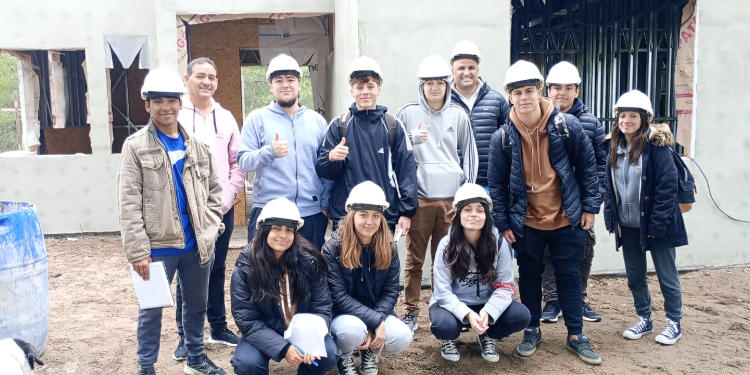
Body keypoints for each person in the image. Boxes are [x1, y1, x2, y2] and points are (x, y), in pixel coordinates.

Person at [487, 60, 602, 365]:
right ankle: (532, 329)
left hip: (567, 218)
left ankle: (576, 334)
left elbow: (588, 167)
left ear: (539, 90)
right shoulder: (503, 137)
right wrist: (504, 223)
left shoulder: (567, 126)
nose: (524, 97)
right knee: (529, 276)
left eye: (529, 90)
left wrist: (590, 206)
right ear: (509, 95)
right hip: (527, 222)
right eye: (517, 92)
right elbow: (496, 185)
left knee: (569, 276)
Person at [117, 67, 226, 375]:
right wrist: (138, 250)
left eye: (171, 100)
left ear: (181, 103)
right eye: (157, 101)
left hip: (197, 247)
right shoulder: (136, 147)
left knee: (196, 306)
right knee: (151, 310)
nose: (165, 107)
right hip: (157, 248)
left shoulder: (198, 147)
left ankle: (195, 358)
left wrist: (211, 227)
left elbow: (214, 191)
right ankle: (147, 367)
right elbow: (128, 202)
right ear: (147, 105)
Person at [396, 54, 478, 331]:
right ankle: (410, 311)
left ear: (447, 84)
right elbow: (393, 153)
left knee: (445, 259)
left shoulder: (458, 115)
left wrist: (465, 198)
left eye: (439, 82)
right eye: (428, 83)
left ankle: (440, 307)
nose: (434, 87)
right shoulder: (407, 113)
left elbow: (470, 156)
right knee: (414, 260)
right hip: (419, 199)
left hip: (450, 201)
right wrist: (410, 140)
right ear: (421, 85)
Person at [171, 57, 244, 359]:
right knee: (188, 270)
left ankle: (218, 326)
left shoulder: (225, 117)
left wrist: (225, 200)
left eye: (212, 77)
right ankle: (185, 335)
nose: (207, 82)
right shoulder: (174, 115)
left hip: (220, 208)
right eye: (200, 76)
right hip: (186, 210)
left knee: (216, 268)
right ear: (187, 79)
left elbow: (236, 163)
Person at [602, 90, 687, 345]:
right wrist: (610, 215)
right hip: (628, 224)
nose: (626, 120)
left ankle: (674, 322)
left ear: (644, 118)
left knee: (666, 275)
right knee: (635, 274)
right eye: (622, 115)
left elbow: (667, 186)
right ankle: (644, 318)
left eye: (632, 116)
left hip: (658, 224)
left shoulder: (656, 146)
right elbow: (609, 185)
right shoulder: (612, 145)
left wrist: (657, 223)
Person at [229, 197, 339, 374]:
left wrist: (313, 336)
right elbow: (247, 320)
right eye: (276, 228)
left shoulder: (309, 261)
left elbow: (323, 306)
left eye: (289, 230)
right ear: (263, 230)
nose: (283, 235)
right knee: (247, 363)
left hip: (302, 329)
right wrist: (283, 348)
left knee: (329, 354)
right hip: (266, 329)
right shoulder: (246, 268)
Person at [316, 56, 418, 235]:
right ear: (351, 90)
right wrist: (331, 158)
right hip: (345, 215)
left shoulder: (393, 125)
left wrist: (407, 212)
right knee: (346, 263)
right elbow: (324, 171)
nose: (365, 92)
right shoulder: (339, 125)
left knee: (383, 263)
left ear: (379, 89)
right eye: (359, 87)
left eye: (370, 87)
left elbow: (407, 171)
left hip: (383, 214)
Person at [429, 183, 530, 363]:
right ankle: (448, 339)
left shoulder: (498, 242)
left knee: (521, 315)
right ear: (458, 214)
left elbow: (506, 286)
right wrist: (466, 314)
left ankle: (487, 336)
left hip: (485, 303)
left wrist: (489, 312)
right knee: (443, 325)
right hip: (454, 304)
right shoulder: (447, 244)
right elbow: (442, 291)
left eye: (480, 210)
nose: (474, 214)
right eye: (467, 209)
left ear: (486, 215)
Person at [238, 53, 331, 249]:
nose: (285, 85)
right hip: (269, 212)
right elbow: (243, 161)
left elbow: (326, 168)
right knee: (265, 274)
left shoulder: (317, 122)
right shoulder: (257, 119)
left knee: (308, 276)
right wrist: (269, 152)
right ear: (271, 85)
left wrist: (324, 206)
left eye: (291, 79)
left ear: (299, 84)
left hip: (310, 213)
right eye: (278, 80)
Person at [322, 181, 413, 375]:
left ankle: (370, 351)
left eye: (375, 216)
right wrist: (376, 322)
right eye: (363, 215)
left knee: (402, 335)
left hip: (377, 310)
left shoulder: (389, 247)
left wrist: (376, 320)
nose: (369, 222)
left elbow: (390, 291)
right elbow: (338, 296)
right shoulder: (333, 248)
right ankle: (345, 355)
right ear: (351, 215)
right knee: (351, 331)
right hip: (344, 315)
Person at [539, 61, 607, 324]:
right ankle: (552, 300)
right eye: (556, 87)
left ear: (577, 91)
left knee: (583, 247)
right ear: (548, 89)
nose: (562, 93)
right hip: (547, 200)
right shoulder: (540, 119)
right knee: (547, 250)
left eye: (568, 88)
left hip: (579, 201)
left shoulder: (590, 123)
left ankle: (577, 297)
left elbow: (601, 166)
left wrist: (593, 203)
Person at [449, 40, 510, 191]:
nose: (466, 72)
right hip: (453, 185)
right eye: (461, 68)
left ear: (478, 69)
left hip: (489, 184)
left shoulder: (497, 101)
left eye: (471, 67)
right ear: (452, 71)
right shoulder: (443, 103)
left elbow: (510, 140)